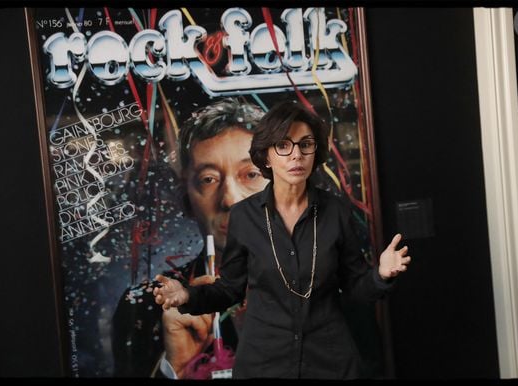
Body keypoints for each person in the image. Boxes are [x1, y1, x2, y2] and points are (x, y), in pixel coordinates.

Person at [152, 100, 411, 379]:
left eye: (305, 144)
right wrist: (187, 296)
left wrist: (381, 275)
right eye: (283, 146)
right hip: (264, 364)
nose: (296, 155)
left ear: (315, 152)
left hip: (329, 363)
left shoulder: (335, 211)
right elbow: (229, 290)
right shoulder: (245, 217)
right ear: (266, 156)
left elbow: (357, 289)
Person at [112, 98, 268, 378]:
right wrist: (175, 368)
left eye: (251, 174)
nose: (231, 199)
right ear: (187, 196)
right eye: (208, 179)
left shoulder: (331, 286)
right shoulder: (147, 305)